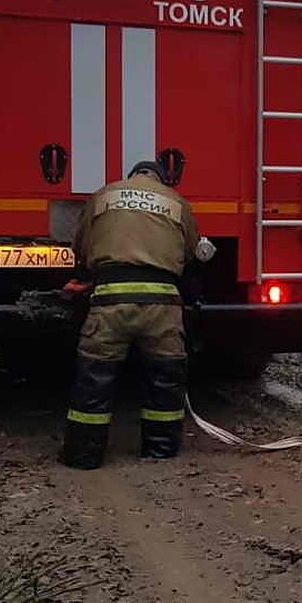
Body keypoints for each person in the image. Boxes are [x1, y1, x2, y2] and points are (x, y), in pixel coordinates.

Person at [62, 160, 201, 469]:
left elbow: (82, 248)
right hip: (162, 307)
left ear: (132, 176)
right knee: (164, 379)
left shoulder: (103, 196)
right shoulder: (176, 201)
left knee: (95, 379)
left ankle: (83, 456)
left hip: (111, 302)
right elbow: (190, 252)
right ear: (161, 179)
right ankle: (160, 451)